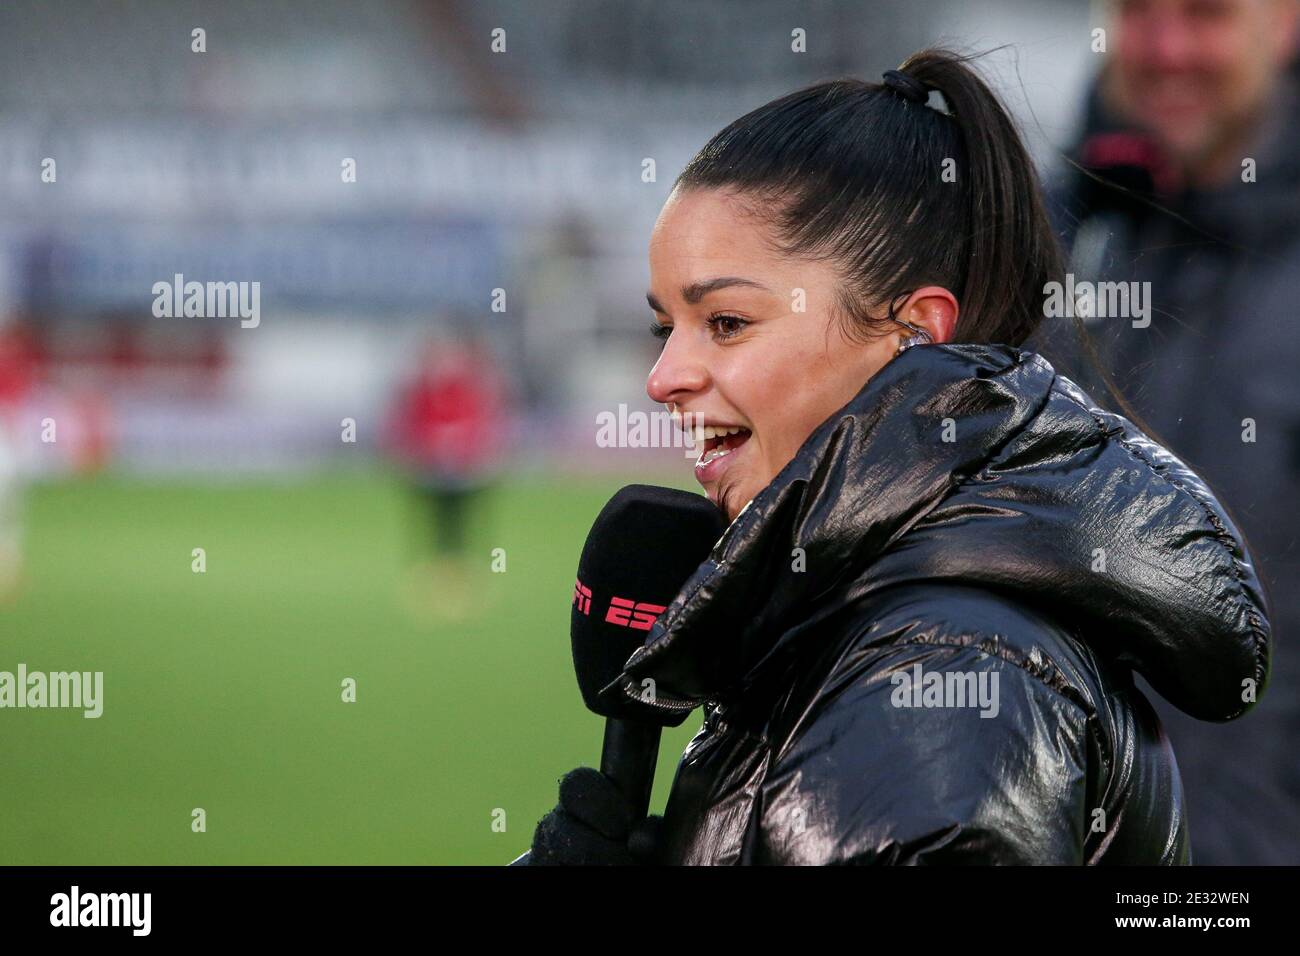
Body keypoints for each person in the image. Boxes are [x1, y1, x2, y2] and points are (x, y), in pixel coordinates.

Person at [525, 49, 1273, 865]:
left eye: (728, 323)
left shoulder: (938, 681)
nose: (664, 377)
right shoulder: (880, 620)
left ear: (913, 332)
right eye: (664, 328)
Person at [1033, 0, 1300, 864]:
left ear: (1287, 22)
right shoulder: (1035, 240)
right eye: (1140, 12)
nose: (1167, 48)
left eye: (1206, 14)